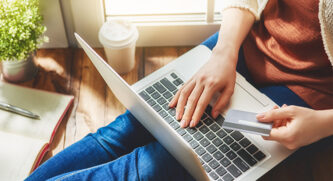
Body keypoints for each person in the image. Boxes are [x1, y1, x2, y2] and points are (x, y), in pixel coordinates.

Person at [26, 0, 333, 180]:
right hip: (243, 45)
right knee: (121, 133)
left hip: (310, 97)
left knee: (144, 167)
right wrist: (224, 52)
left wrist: (322, 124)